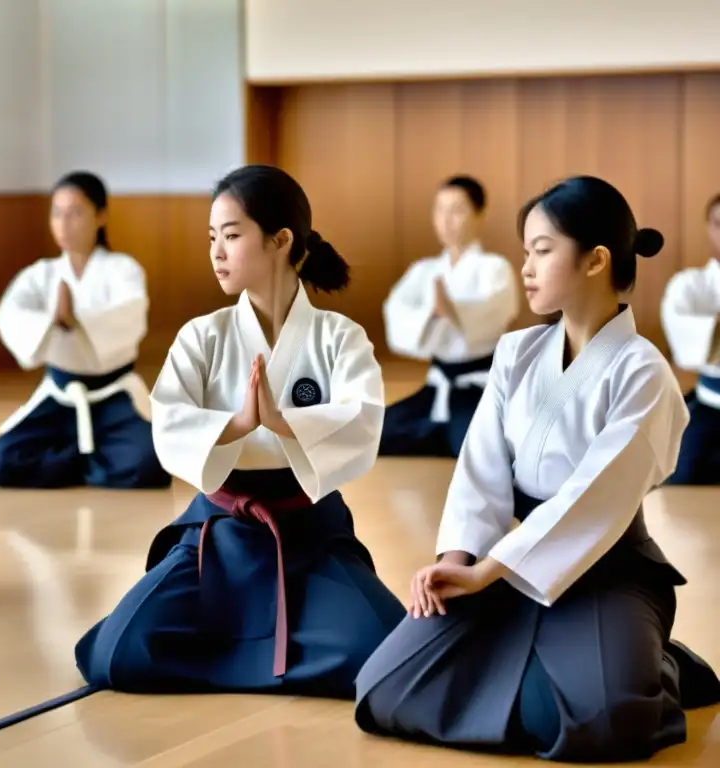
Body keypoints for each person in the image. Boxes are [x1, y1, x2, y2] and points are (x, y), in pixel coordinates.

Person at [355, 176, 720, 762]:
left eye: (542, 250)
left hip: (607, 567)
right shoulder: (517, 352)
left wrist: (490, 571)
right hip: (500, 562)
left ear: (596, 260)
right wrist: (458, 564)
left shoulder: (642, 371)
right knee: (380, 689)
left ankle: (658, 662)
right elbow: (480, 472)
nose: (526, 266)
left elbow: (594, 497)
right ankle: (597, 664)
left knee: (607, 722)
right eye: (525, 250)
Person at [74, 164, 405, 698]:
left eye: (231, 236)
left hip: (308, 535)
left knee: (384, 654)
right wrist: (238, 424)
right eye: (212, 238)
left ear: (280, 240)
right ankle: (274, 658)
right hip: (218, 534)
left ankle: (244, 653)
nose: (217, 252)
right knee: (118, 654)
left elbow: (363, 421)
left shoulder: (338, 337)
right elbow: (169, 424)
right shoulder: (203, 336)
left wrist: (286, 422)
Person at [0, 171, 170, 489]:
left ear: (101, 216)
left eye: (76, 213)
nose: (65, 223)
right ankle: (90, 462)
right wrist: (52, 319)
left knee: (150, 465)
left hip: (113, 395)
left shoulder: (123, 269)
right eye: (57, 213)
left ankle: (75, 459)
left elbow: (130, 312)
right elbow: (10, 312)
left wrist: (77, 319)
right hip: (60, 395)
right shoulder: (41, 274)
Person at [380, 175, 520, 458]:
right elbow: (396, 310)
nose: (446, 219)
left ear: (480, 215)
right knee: (375, 434)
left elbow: (496, 309)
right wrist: (430, 312)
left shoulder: (494, 268)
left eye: (457, 210)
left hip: (477, 386)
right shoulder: (424, 270)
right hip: (437, 384)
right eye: (440, 210)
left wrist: (455, 310)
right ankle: (435, 431)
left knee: (475, 450)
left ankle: (436, 433)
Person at [660, 192, 720, 485]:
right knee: (681, 477)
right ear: (709, 227)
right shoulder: (689, 285)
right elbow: (686, 342)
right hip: (710, 404)